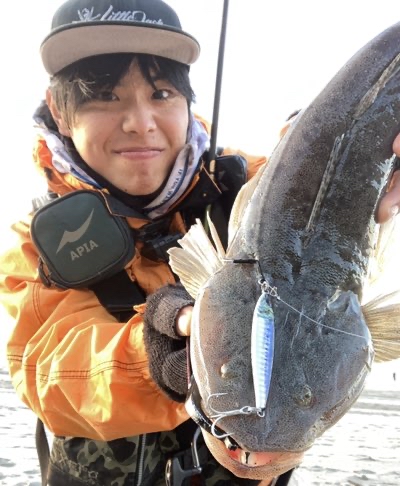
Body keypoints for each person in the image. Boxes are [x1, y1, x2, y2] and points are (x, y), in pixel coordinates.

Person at [1, 1, 400, 485]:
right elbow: (44, 373)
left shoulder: (256, 187)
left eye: (161, 93)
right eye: (104, 96)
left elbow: (330, 171)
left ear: (187, 100)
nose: (140, 122)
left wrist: (360, 157)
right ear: (59, 112)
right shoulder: (36, 244)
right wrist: (161, 355)